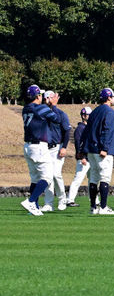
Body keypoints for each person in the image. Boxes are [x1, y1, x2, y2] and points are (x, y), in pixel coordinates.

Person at [20, 85, 60, 216]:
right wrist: (53, 105)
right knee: (47, 178)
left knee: (35, 179)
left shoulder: (26, 108)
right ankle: (31, 201)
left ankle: (34, 208)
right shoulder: (42, 108)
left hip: (28, 146)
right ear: (38, 96)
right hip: (39, 147)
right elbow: (56, 119)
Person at [83, 87, 114, 215]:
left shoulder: (94, 112)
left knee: (93, 177)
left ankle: (93, 207)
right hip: (102, 150)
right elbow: (107, 130)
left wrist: (83, 149)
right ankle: (103, 207)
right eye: (113, 96)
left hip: (91, 149)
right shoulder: (109, 112)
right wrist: (105, 148)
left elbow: (86, 131)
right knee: (104, 177)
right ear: (109, 97)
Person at [41, 90, 71, 211]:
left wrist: (64, 147)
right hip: (44, 148)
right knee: (47, 175)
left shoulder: (60, 113)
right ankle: (48, 203)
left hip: (56, 147)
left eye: (50, 98)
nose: (48, 100)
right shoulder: (42, 112)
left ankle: (62, 199)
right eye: (48, 98)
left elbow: (67, 131)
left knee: (55, 174)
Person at [65, 107, 91, 207]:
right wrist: (82, 157)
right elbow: (78, 144)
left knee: (92, 180)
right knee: (78, 179)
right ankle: (70, 199)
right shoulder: (80, 129)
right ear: (84, 116)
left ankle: (95, 200)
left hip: (90, 158)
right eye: (88, 115)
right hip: (84, 158)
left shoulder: (88, 128)